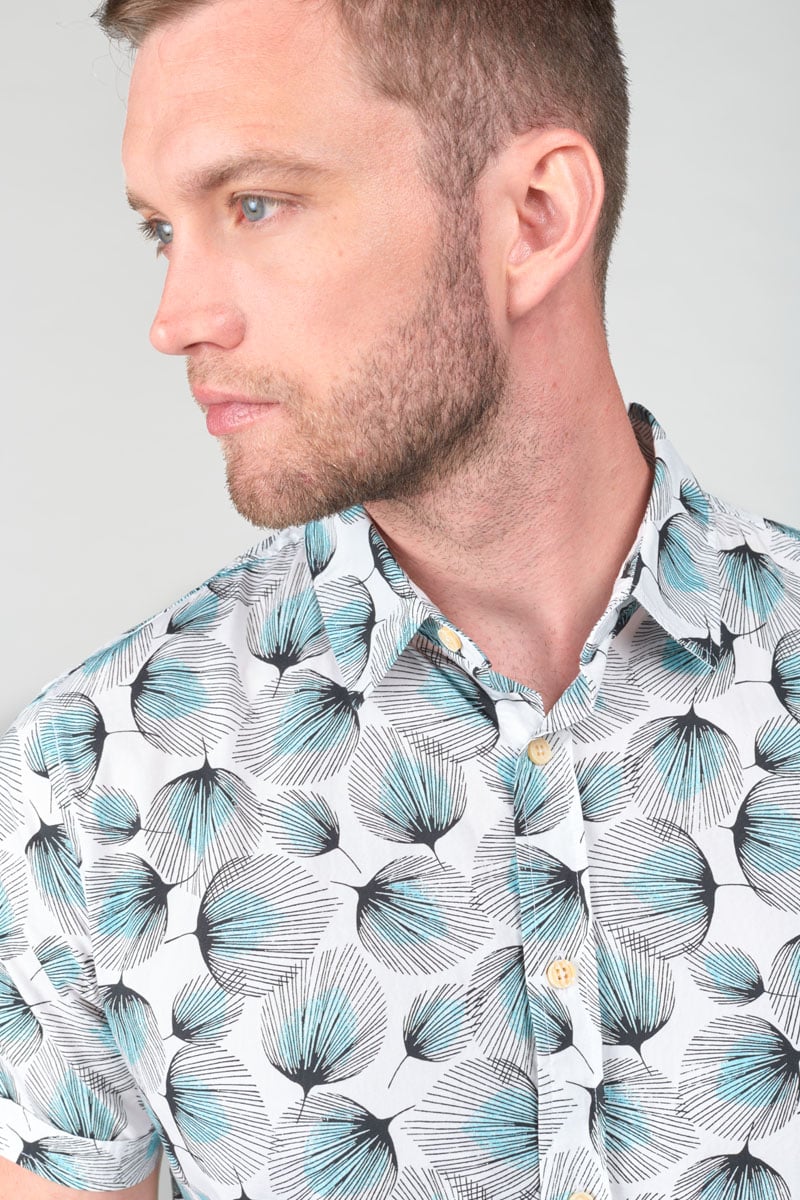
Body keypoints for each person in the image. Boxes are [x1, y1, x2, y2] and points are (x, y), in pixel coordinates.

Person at [1, 0, 798, 1198]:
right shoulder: (92, 779)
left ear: (533, 217)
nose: (175, 319)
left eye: (254, 204)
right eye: (162, 229)